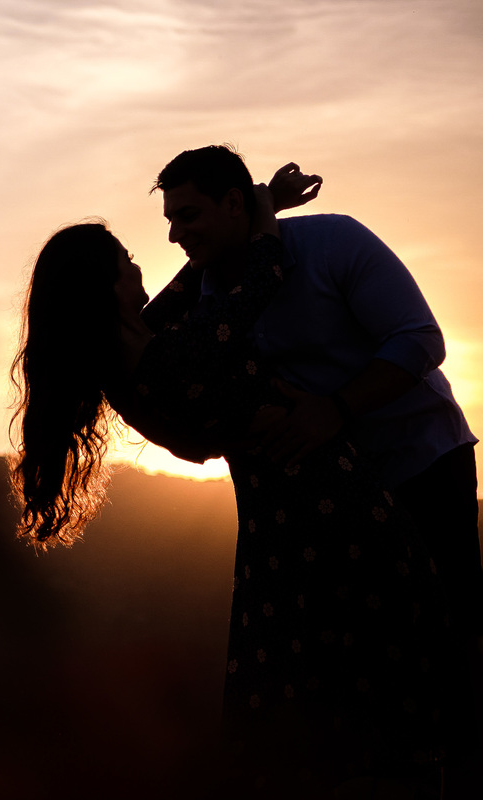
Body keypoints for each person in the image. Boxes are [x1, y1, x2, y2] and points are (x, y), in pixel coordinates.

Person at [10, 179, 449, 797]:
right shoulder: (176, 353)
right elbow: (259, 279)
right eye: (127, 262)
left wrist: (255, 205)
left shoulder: (135, 356)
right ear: (106, 286)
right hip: (331, 508)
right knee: (380, 688)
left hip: (277, 528)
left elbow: (190, 288)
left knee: (315, 703)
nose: (142, 266)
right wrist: (262, 212)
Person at [146, 145, 482, 796]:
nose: (174, 235)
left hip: (421, 458)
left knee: (455, 629)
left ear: (234, 203)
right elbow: (145, 335)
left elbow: (420, 339)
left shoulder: (334, 243)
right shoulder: (208, 295)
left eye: (188, 216)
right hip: (335, 498)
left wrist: (336, 408)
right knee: (368, 658)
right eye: (170, 219)